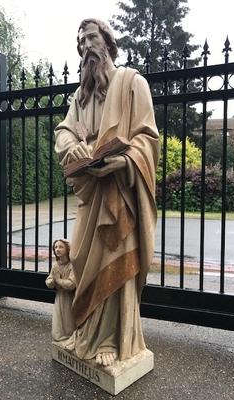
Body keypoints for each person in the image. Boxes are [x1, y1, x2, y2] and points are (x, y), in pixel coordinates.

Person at [54, 18, 159, 367]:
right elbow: (63, 132)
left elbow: (147, 139)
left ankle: (112, 340)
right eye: (81, 42)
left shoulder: (132, 83)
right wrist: (74, 149)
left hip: (121, 196)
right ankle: (85, 333)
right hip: (89, 195)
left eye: (91, 38)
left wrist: (125, 160)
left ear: (108, 42)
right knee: (84, 264)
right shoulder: (80, 98)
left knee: (115, 264)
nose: (86, 47)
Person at [45, 239, 76, 344]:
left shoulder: (72, 265)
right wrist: (51, 281)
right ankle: (59, 338)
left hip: (69, 297)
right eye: (56, 247)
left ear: (67, 249)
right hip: (60, 297)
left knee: (68, 321)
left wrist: (58, 280)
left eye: (60, 247)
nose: (57, 249)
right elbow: (49, 279)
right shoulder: (56, 265)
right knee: (58, 323)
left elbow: (72, 284)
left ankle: (69, 338)